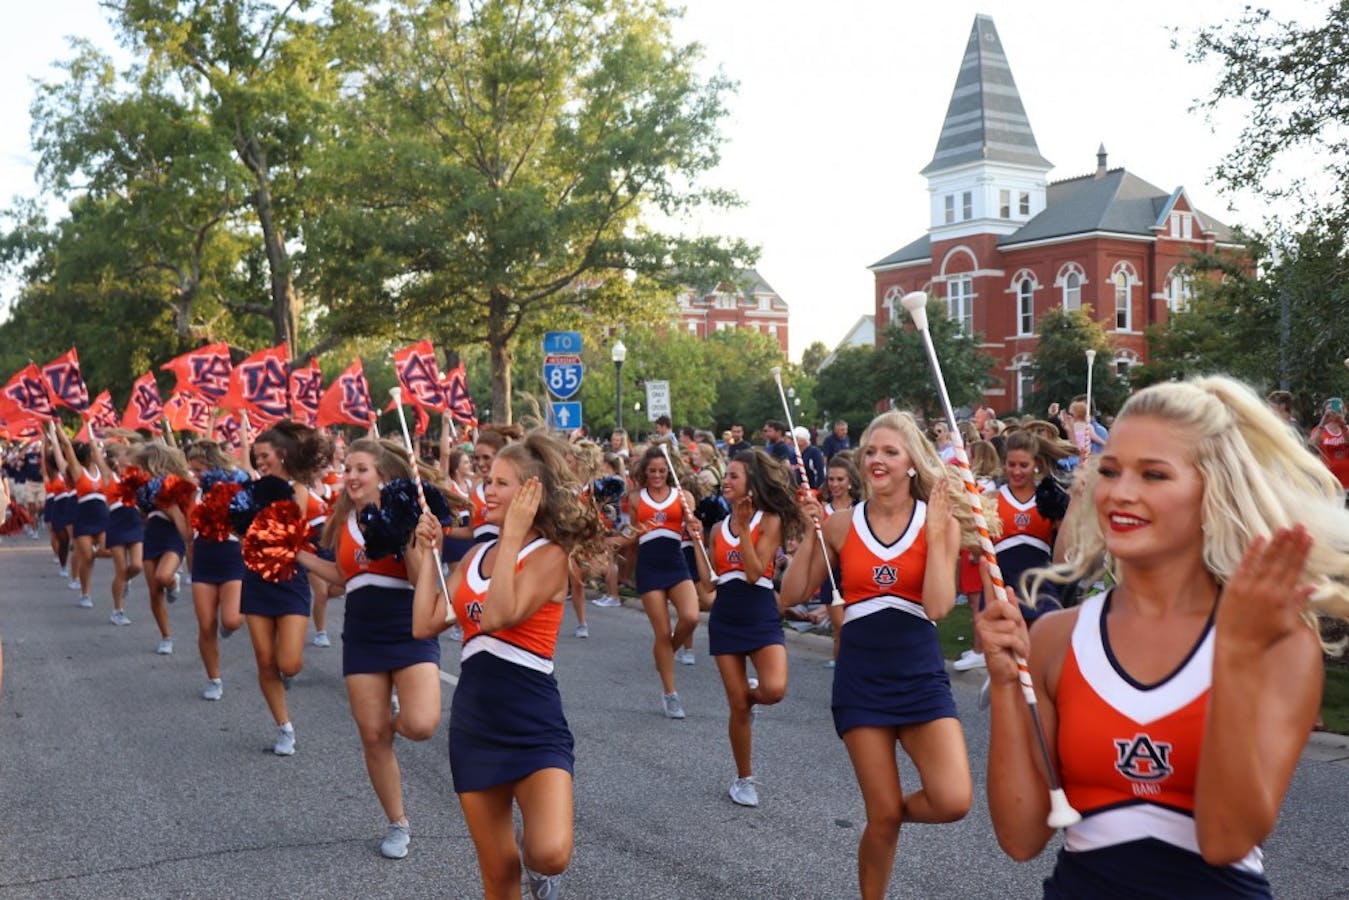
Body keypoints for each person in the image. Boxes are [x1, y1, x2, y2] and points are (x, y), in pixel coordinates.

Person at [980, 375, 1346, 897]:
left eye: (1154, 474)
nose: (1121, 492)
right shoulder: (1057, 639)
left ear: (1212, 489)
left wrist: (1235, 657)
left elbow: (1225, 839)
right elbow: (1020, 838)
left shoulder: (1279, 639)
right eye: (1110, 470)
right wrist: (1003, 686)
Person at [782, 410, 973, 900]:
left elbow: (935, 606)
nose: (878, 460)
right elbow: (790, 594)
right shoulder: (843, 525)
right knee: (883, 818)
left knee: (953, 799)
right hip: (862, 681)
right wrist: (812, 534)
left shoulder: (939, 522)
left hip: (920, 677)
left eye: (890, 451)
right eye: (871, 451)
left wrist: (934, 535)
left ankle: (886, 812)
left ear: (912, 462)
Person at [410, 431, 606, 899]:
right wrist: (428, 557)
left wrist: (515, 534)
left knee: (549, 854)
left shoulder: (551, 558)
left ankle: (537, 866)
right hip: (476, 725)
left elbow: (498, 614)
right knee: (498, 874)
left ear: (530, 493)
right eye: (487, 480)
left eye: (501, 482)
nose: (488, 489)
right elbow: (424, 624)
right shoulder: (475, 557)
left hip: (533, 720)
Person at [297, 438, 443, 860]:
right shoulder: (343, 522)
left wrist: (406, 535)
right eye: (348, 469)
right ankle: (398, 822)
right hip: (362, 634)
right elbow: (344, 575)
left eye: (361, 469)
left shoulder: (412, 515)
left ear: (382, 474)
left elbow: (420, 581)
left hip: (409, 628)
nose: (352, 477)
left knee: (420, 724)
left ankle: (393, 715)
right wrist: (299, 556)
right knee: (373, 736)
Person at [688, 449, 806, 807]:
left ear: (751, 483)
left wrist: (741, 529)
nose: (726, 481)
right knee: (737, 706)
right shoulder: (715, 528)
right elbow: (706, 585)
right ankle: (743, 779)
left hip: (759, 612)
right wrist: (695, 539)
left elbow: (755, 572)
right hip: (726, 616)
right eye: (726, 475)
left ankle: (751, 696)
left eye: (734, 476)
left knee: (774, 689)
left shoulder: (770, 520)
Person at [238, 421, 332, 756]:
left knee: (288, 663)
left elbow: (289, 532)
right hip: (255, 580)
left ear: (281, 454)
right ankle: (284, 727)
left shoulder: (299, 490)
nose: (259, 461)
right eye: (256, 456)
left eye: (264, 455)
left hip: (289, 579)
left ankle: (286, 672)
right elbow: (242, 533)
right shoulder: (249, 491)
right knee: (265, 661)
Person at [619, 444, 702, 718]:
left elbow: (693, 528)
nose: (656, 475)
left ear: (669, 471)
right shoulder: (635, 498)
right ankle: (670, 694)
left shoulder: (683, 495)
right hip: (649, 566)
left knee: (691, 617)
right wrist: (617, 556)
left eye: (661, 471)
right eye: (652, 471)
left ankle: (664, 653)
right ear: (645, 471)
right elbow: (632, 536)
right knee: (662, 633)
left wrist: (694, 527)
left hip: (675, 563)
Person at [185, 441, 249, 701]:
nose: (195, 475)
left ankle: (229, 626)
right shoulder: (193, 495)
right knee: (206, 625)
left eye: (199, 470)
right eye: (192, 470)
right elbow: (190, 534)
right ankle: (214, 678)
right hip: (203, 558)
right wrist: (190, 568)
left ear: (213, 467)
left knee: (232, 620)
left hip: (231, 556)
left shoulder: (234, 490)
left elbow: (246, 526)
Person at [135, 442, 194, 655]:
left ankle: (173, 581)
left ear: (154, 463)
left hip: (172, 536)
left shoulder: (177, 484)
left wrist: (168, 508)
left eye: (143, 465)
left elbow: (182, 519)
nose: (140, 469)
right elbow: (143, 513)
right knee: (154, 592)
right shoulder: (144, 487)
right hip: (151, 534)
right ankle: (166, 636)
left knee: (163, 576)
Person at [54, 426, 109, 611]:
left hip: (102, 518)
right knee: (87, 556)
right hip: (83, 518)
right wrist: (57, 425)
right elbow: (67, 447)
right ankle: (85, 594)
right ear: (87, 457)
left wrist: (90, 425)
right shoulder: (78, 472)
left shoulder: (101, 470)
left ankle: (124, 577)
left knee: (109, 551)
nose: (95, 454)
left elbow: (96, 445)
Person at [101, 441, 145, 626]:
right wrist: (88, 426)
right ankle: (118, 610)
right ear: (116, 461)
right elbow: (97, 454)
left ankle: (126, 581)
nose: (126, 461)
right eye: (122, 457)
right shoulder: (108, 476)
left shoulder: (135, 477)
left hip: (134, 521)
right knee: (120, 570)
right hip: (117, 522)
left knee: (136, 566)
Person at [1308, 396, 1349, 492]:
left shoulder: (1346, 429)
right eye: (1330, 409)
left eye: (1338, 409)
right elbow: (1312, 446)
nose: (1334, 412)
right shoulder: (1319, 430)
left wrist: (1342, 424)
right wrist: (1323, 422)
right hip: (1329, 481)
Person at [791, 426, 827, 490]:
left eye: (796, 438)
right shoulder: (795, 453)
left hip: (811, 488)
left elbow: (820, 473)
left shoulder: (814, 452)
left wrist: (817, 489)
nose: (793, 440)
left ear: (804, 439)